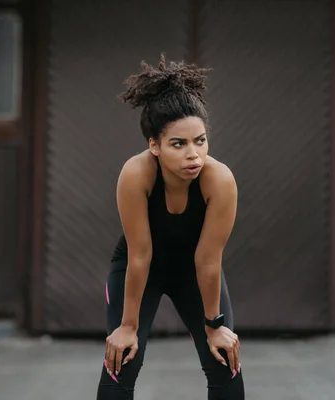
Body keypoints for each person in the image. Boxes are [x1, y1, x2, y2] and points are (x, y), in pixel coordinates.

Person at [96, 54, 245, 400]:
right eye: (179, 144)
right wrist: (128, 326)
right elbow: (140, 255)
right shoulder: (136, 174)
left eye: (201, 140)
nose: (194, 154)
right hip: (137, 267)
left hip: (195, 270)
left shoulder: (219, 180)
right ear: (155, 146)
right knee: (123, 359)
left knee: (223, 357)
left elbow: (208, 260)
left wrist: (214, 327)